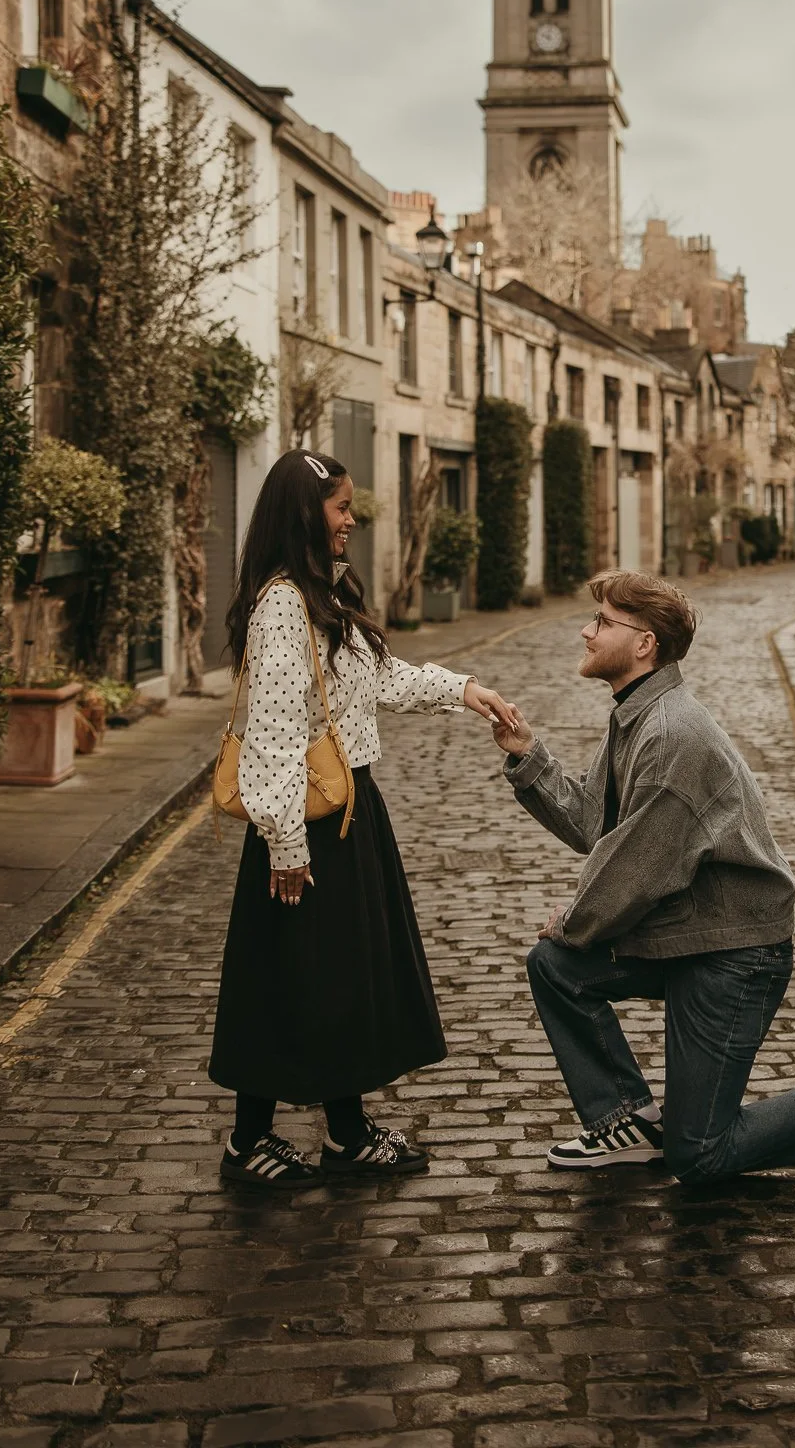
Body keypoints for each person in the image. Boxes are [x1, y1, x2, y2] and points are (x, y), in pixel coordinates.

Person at [491, 570, 795, 1182]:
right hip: (687, 936)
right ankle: (629, 1121)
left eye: (603, 622)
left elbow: (633, 871)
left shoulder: (670, 735)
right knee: (556, 967)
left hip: (735, 955)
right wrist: (525, 754)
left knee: (700, 1155)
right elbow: (599, 825)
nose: (587, 631)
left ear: (644, 644)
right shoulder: (636, 715)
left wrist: (574, 921)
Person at [209, 448, 517, 1188]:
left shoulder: (322, 594)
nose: (351, 519)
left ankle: (341, 1133)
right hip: (309, 821)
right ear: (304, 514)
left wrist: (462, 688)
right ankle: (253, 1141)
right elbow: (276, 735)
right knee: (289, 977)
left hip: (345, 810)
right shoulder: (284, 605)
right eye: (341, 507)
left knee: (324, 975)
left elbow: (380, 678)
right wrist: (286, 846)